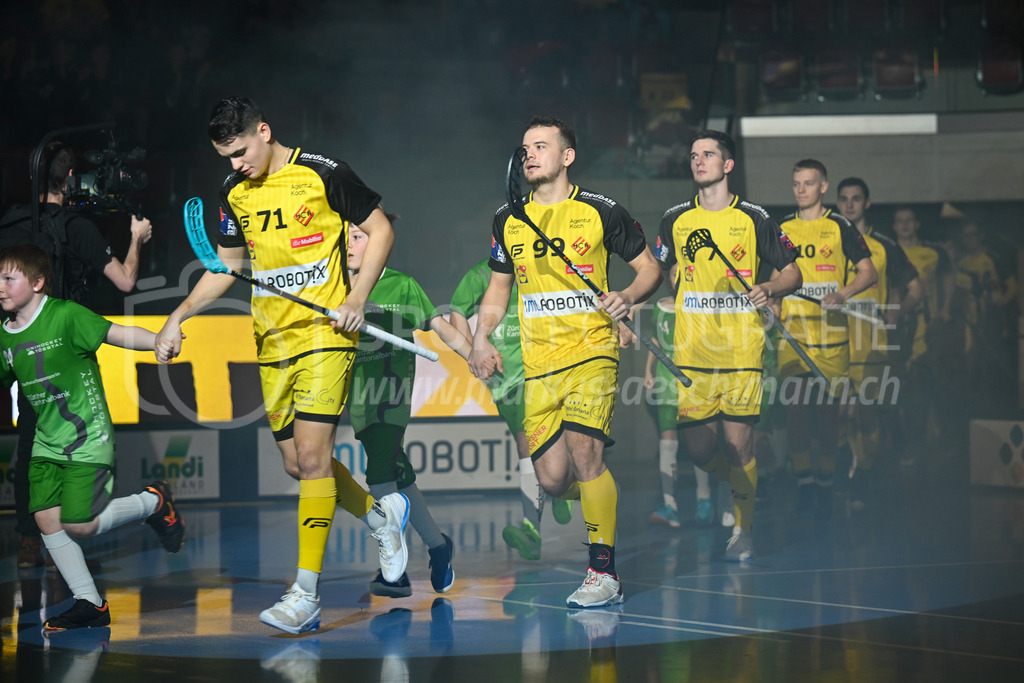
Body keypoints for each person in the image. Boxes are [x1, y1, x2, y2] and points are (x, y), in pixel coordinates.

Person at [155, 97, 409, 634]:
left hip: (325, 336)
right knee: (297, 464)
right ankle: (380, 515)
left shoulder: (324, 173)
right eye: (226, 157)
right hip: (271, 341)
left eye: (241, 151)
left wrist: (357, 297)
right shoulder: (233, 191)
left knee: (314, 459)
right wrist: (179, 314)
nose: (235, 164)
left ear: (264, 131)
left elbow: (381, 230)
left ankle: (305, 595)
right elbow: (227, 267)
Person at [468, 116, 663, 608]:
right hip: (539, 365)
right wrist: (481, 337)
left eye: (541, 146)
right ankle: (602, 496)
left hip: (592, 352)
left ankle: (603, 573)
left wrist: (627, 297)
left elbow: (650, 269)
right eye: (525, 148)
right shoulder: (507, 218)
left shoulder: (602, 210)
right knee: (554, 480)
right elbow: (498, 287)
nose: (529, 155)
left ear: (567, 156)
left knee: (585, 454)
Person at [0, 244, 183, 630]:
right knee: (46, 519)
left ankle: (153, 502)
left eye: (9, 279)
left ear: (37, 282)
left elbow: (118, 333)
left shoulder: (66, 315)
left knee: (80, 523)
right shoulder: (5, 336)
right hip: (46, 441)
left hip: (88, 434)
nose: (0, 287)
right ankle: (91, 603)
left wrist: (158, 342)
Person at [0, 141, 154, 570]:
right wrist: (136, 238)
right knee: (80, 440)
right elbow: (125, 281)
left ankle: (31, 541)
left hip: (20, 346)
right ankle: (71, 533)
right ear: (70, 179)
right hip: (68, 346)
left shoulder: (10, 226)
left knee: (32, 442)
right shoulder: (76, 226)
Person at [655, 130, 801, 562]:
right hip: (692, 357)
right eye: (693, 155)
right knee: (700, 452)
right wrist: (629, 301)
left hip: (741, 354)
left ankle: (742, 529)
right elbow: (654, 270)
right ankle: (740, 485)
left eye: (708, 154)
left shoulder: (755, 218)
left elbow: (794, 273)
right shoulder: (675, 219)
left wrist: (769, 287)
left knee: (739, 447)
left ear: (728, 164)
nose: (698, 161)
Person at [346, 219, 470, 597]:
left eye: (357, 237)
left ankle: (395, 574)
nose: (348, 244)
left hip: (391, 395)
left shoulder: (402, 285)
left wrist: (475, 355)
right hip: (357, 400)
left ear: (378, 242)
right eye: (344, 237)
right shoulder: (333, 286)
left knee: (379, 475)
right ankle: (438, 546)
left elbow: (441, 327)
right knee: (397, 475)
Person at [449, 257, 573, 561]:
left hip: (542, 370)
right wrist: (473, 352)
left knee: (529, 442)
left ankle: (533, 524)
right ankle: (559, 490)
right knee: (526, 448)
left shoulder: (542, 265)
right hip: (504, 379)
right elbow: (456, 312)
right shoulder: (480, 274)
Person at [778, 160, 877, 518]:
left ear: (823, 187)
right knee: (796, 409)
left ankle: (825, 481)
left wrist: (843, 294)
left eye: (808, 183)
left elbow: (869, 272)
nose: (801, 190)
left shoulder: (840, 226)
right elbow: (777, 275)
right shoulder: (783, 228)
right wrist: (772, 299)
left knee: (828, 416)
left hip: (832, 337)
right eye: (796, 183)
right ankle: (805, 483)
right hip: (794, 336)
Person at [834, 178, 922, 507]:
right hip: (835, 342)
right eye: (844, 199)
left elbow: (916, 289)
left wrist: (896, 314)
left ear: (867, 203)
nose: (850, 204)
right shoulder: (828, 240)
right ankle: (850, 462)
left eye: (856, 199)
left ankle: (865, 471)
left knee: (866, 414)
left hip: (872, 344)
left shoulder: (884, 245)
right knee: (841, 413)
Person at [642, 291, 714, 528]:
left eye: (679, 273)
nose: (676, 277)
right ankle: (669, 505)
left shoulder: (699, 302)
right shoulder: (660, 306)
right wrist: (648, 370)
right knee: (667, 442)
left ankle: (704, 499)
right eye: (672, 274)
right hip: (666, 379)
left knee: (699, 444)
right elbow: (655, 339)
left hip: (693, 379)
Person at [891, 206, 955, 468]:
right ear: (894, 226)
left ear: (917, 224)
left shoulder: (934, 252)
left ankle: (927, 446)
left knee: (929, 388)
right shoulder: (888, 251)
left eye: (909, 220)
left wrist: (946, 308)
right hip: (898, 332)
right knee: (898, 393)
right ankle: (904, 446)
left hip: (928, 332)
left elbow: (949, 275)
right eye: (900, 221)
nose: (905, 225)